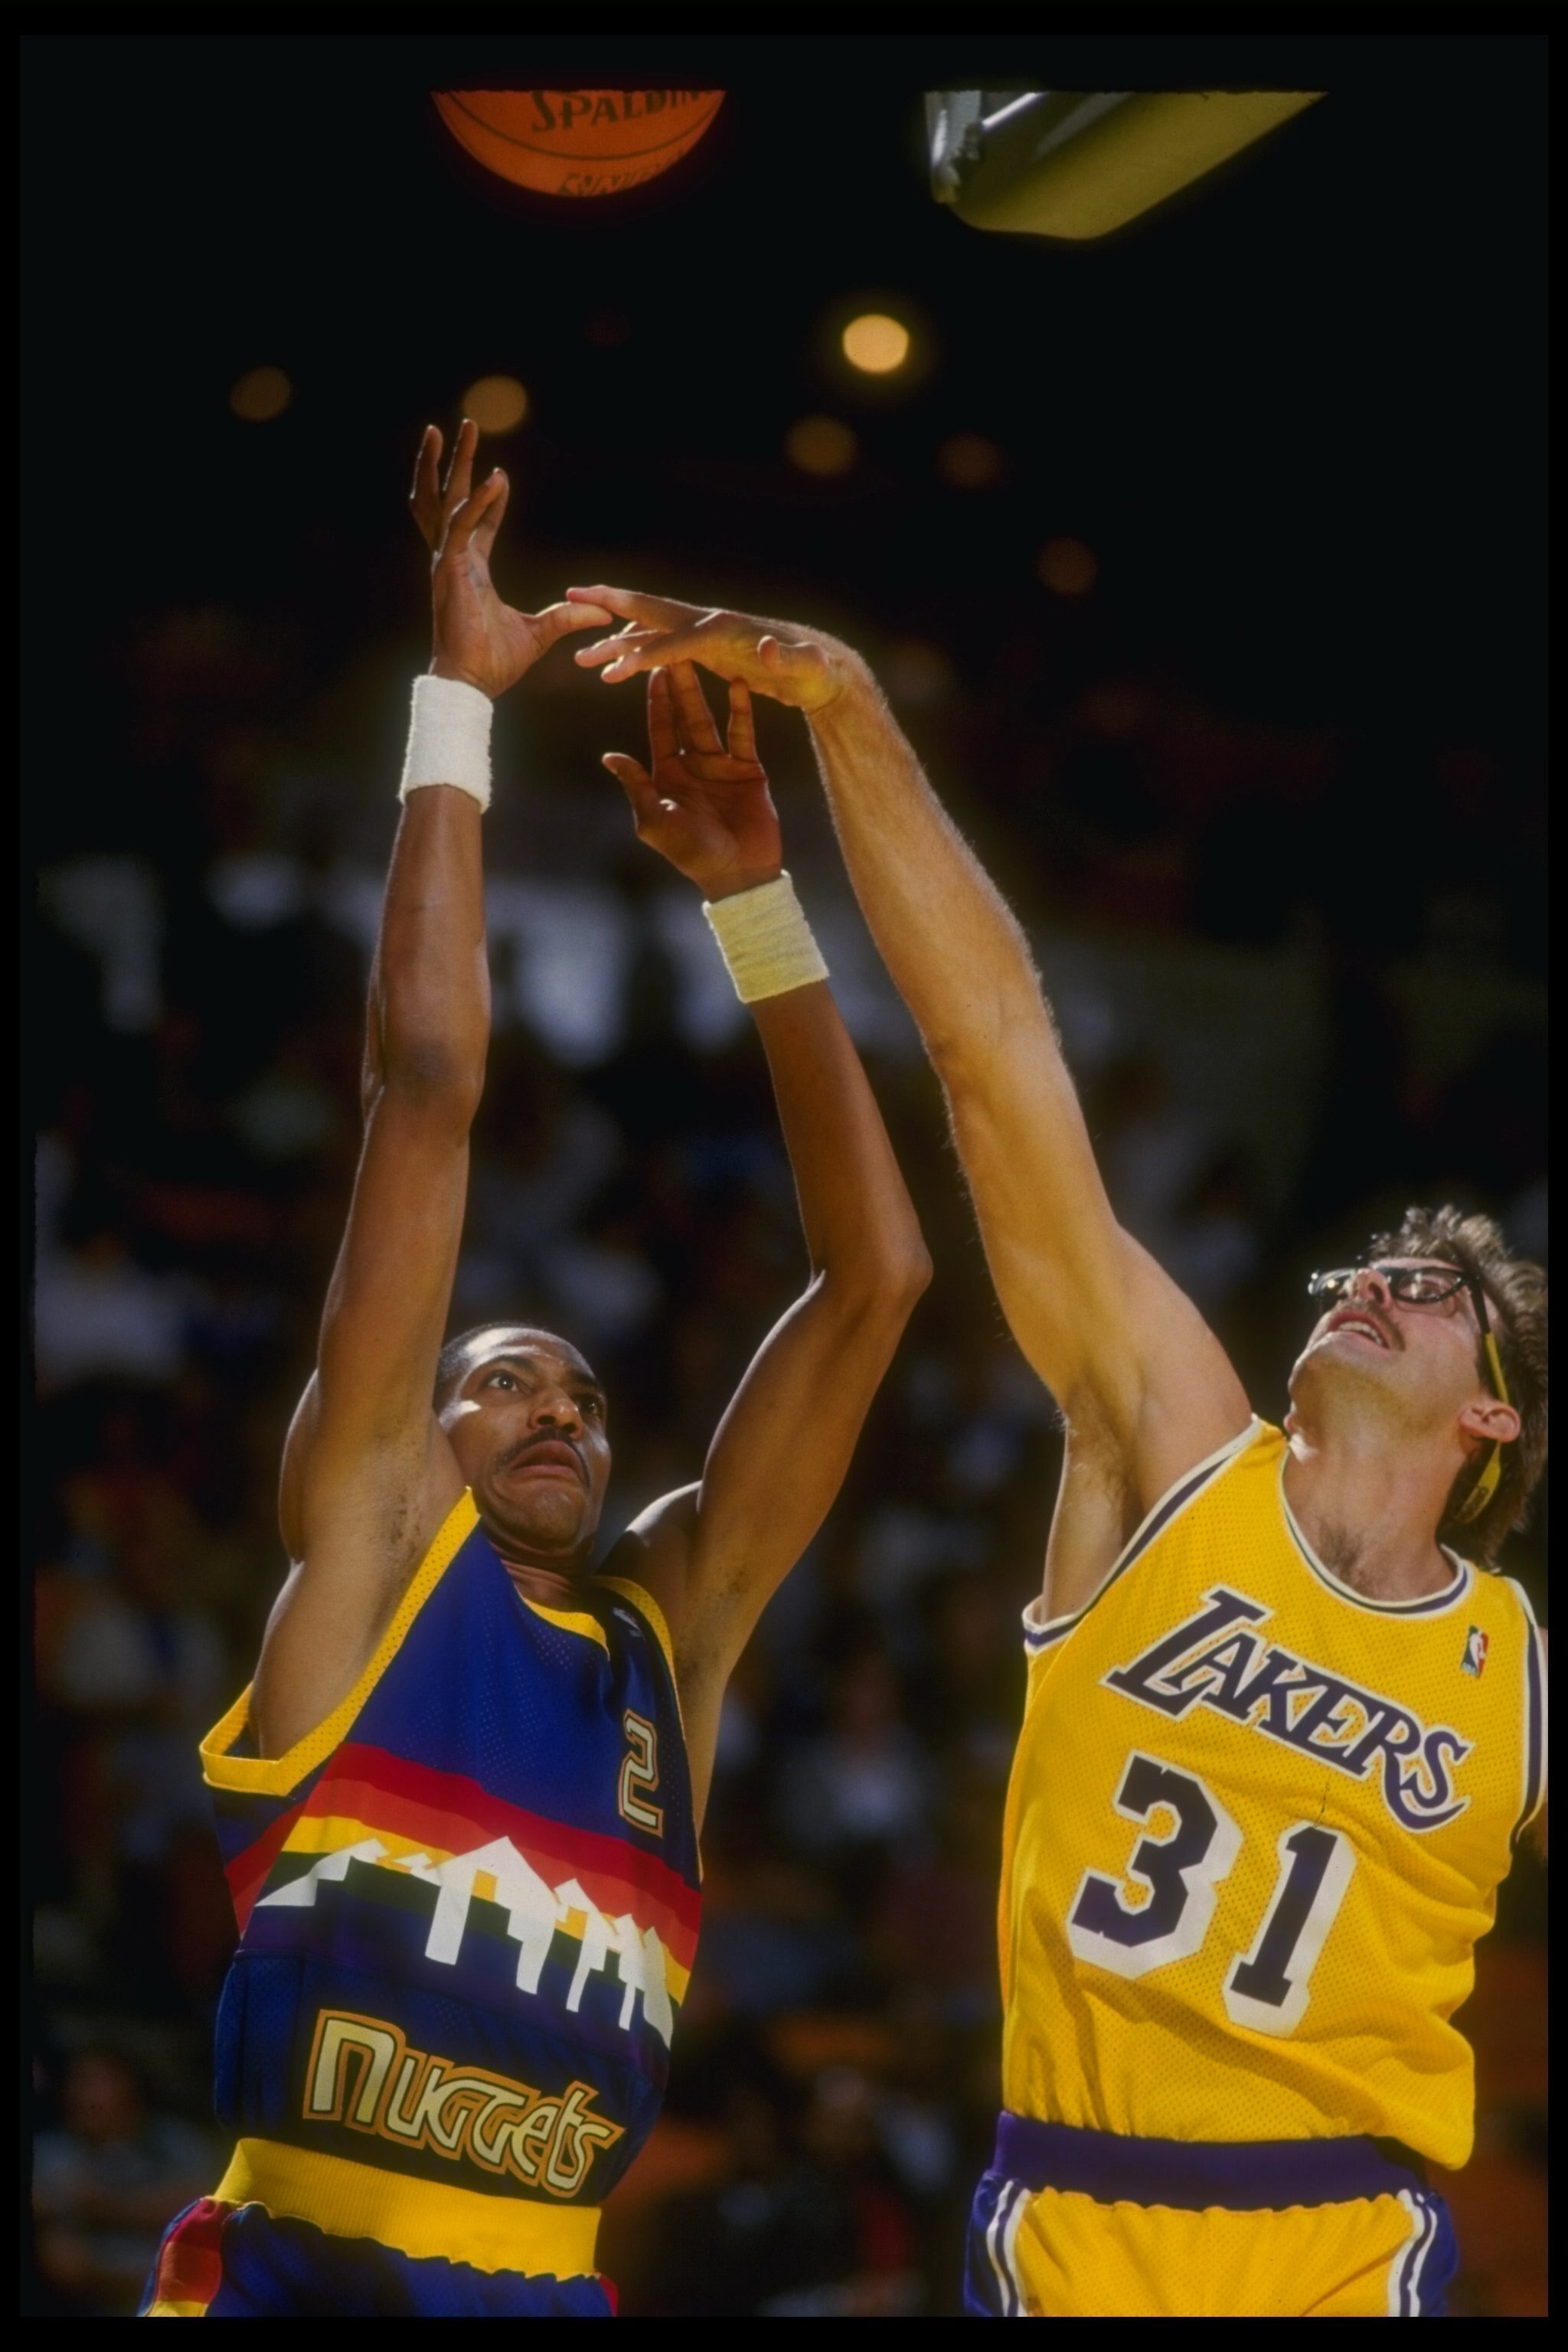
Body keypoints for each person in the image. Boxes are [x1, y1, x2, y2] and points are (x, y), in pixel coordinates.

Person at [570, 586, 1547, 2320]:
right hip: (1082, 2211)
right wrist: (850, 706)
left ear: (1496, 1420)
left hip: (1346, 2233)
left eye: (1443, 1290)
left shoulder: (1520, 1674)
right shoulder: (1175, 1445)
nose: (1383, 1284)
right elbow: (995, 1059)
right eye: (1374, 1264)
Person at [139, 432, 929, 2318]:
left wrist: (754, 896)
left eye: (578, 1389)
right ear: (422, 1427)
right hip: (293, 2278)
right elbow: (426, 1091)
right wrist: (455, 710)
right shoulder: (373, 1542)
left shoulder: (676, 1636)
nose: (559, 1405)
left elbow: (877, 1274)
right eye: (506, 1380)